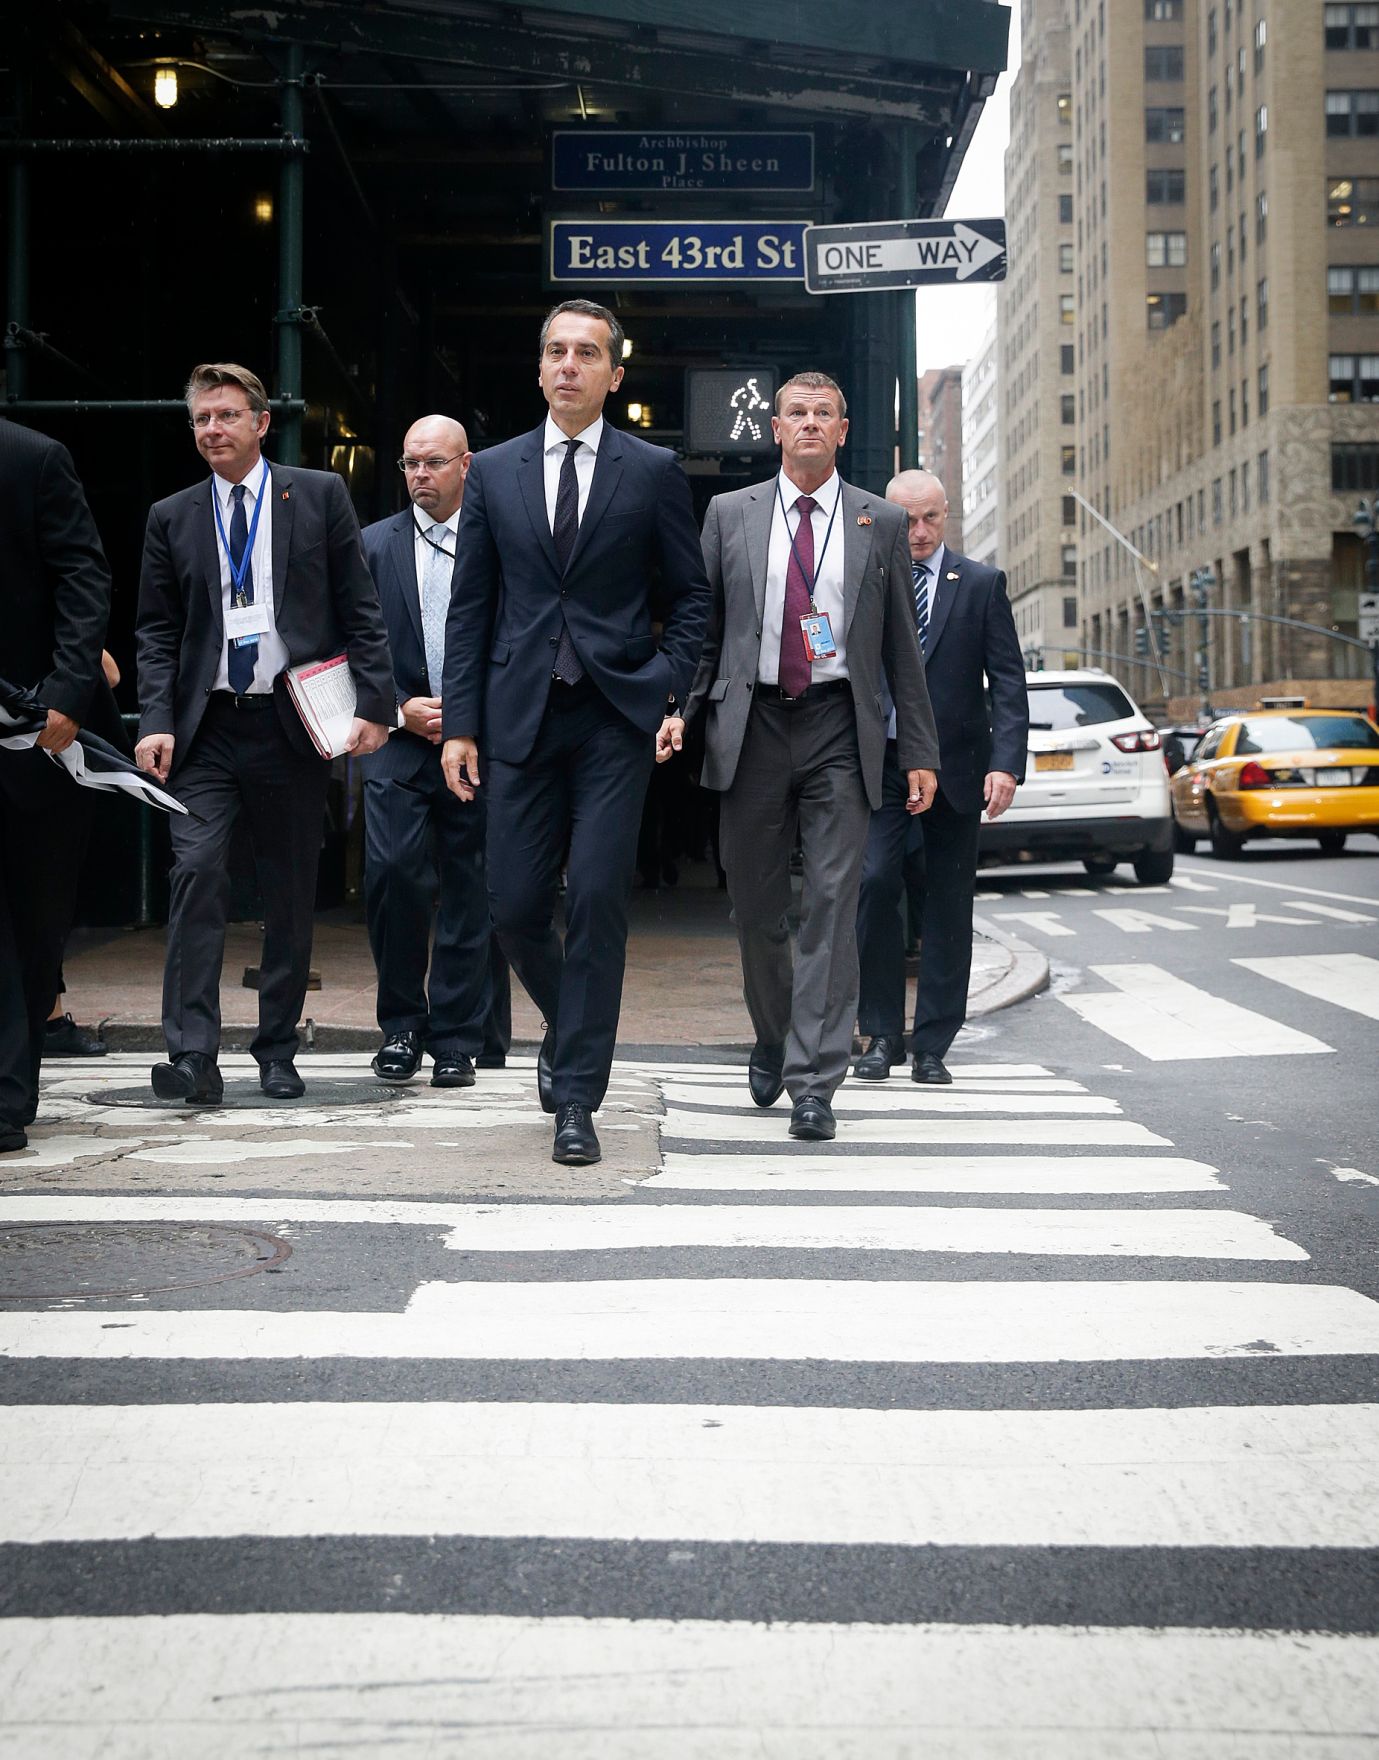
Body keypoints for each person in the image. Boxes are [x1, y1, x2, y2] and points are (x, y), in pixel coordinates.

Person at [441, 299, 710, 1166]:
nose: (568, 365)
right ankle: (571, 1018)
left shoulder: (654, 470)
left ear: (613, 374)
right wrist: (461, 724)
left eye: (586, 353)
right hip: (519, 712)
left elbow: (692, 597)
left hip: (611, 717)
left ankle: (577, 1096)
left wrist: (669, 687)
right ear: (540, 367)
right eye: (555, 351)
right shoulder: (494, 471)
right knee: (514, 905)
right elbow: (471, 606)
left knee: (595, 899)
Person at [660, 372, 940, 1142]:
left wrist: (916, 747)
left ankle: (815, 1081)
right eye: (796, 413)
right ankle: (772, 1032)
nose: (809, 423)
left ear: (842, 431)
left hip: (836, 731)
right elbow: (704, 625)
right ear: (774, 429)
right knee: (754, 909)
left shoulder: (876, 522)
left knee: (830, 903)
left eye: (824, 413)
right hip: (749, 728)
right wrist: (677, 710)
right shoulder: (728, 514)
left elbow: (899, 650)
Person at [134, 362, 394, 1105]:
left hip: (289, 724)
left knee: (287, 889)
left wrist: (372, 706)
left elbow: (359, 607)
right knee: (197, 874)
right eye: (201, 420)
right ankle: (191, 1055)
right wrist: (155, 720)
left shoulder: (316, 496)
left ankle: (277, 1048)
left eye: (225, 416)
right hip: (206, 728)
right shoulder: (172, 515)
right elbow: (155, 630)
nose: (212, 430)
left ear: (259, 423)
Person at [853, 469, 1027, 1085]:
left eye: (930, 518)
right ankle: (879, 1034)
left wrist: (1006, 764)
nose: (919, 532)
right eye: (908, 519)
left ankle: (932, 1045)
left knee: (947, 906)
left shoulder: (980, 584)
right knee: (874, 886)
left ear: (946, 517)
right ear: (885, 520)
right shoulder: (865, 581)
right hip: (884, 767)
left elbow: (1008, 681)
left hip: (956, 771)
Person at [360, 414, 510, 1087]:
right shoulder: (370, 546)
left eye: (432, 462)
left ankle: (454, 1036)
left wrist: (472, 715)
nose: (419, 474)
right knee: (393, 875)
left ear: (465, 466)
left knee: (468, 885)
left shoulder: (499, 543)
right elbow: (345, 649)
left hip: (478, 741)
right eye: (409, 463)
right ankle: (400, 1025)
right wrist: (397, 709)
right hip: (397, 741)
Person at [0, 420, 113, 1151]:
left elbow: (84, 578)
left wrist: (67, 696)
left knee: (39, 922)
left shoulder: (34, 459)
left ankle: (17, 1070)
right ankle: (5, 1095)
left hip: (37, 730)